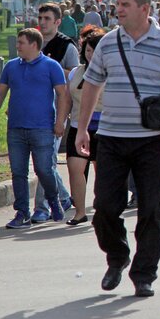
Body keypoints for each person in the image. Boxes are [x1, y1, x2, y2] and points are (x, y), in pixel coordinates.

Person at [75, 0, 160, 298]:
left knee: (150, 209)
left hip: (152, 140)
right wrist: (83, 128)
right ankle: (117, 257)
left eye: (126, 4)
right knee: (104, 206)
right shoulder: (108, 43)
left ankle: (144, 274)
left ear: (145, 8)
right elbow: (91, 85)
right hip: (112, 138)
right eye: (118, 3)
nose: (119, 8)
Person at [0, 28, 69, 229]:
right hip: (15, 129)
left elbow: (63, 95)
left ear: (34, 44)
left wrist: (59, 122)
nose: (17, 46)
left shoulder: (51, 66)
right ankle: (22, 213)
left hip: (42, 129)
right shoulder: (11, 66)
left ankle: (53, 199)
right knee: (18, 172)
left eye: (21, 42)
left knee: (44, 170)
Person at [34, 3, 76, 221]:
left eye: (47, 18)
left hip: (58, 109)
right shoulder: (32, 42)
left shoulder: (66, 46)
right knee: (46, 162)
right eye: (40, 17)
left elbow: (77, 77)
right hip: (34, 109)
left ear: (57, 21)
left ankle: (42, 207)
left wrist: (54, 70)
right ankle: (64, 197)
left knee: (45, 161)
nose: (42, 22)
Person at [62, 30, 105, 226]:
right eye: (88, 50)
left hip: (104, 128)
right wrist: (59, 121)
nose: (91, 55)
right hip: (78, 127)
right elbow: (67, 99)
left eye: (95, 51)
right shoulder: (76, 73)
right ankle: (80, 212)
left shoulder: (112, 72)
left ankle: (103, 208)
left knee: (103, 171)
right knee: (74, 168)